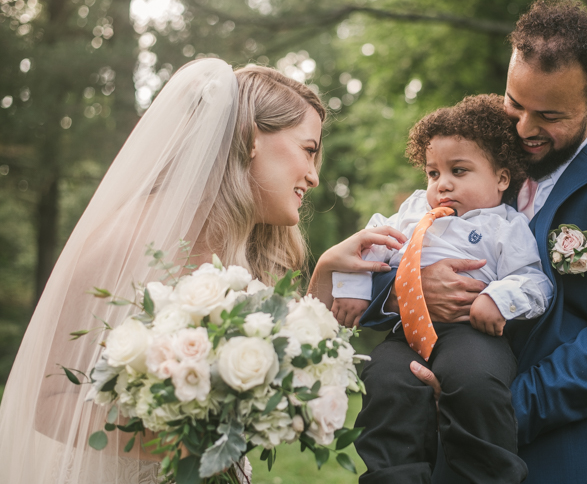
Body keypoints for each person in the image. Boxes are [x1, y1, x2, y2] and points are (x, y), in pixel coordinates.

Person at [0, 59, 396, 484]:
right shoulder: (127, 240)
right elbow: (52, 400)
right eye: (308, 149)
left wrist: (323, 277)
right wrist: (190, 446)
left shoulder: (245, 248)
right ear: (250, 138)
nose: (314, 177)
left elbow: (278, 365)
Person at [360, 0, 587, 483]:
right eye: (514, 103)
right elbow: (392, 256)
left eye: (550, 115)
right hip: (448, 459)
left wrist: (482, 406)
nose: (523, 127)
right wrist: (413, 285)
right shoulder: (472, 166)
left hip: (577, 457)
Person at [329, 94, 553, 483]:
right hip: (407, 334)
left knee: (474, 382)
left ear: (501, 178)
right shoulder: (413, 210)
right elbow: (365, 245)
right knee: (385, 380)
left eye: (459, 171)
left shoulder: (505, 225)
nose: (442, 184)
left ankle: (486, 474)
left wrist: (497, 298)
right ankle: (394, 475)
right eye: (433, 173)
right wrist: (352, 287)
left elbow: (535, 282)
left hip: (471, 332)